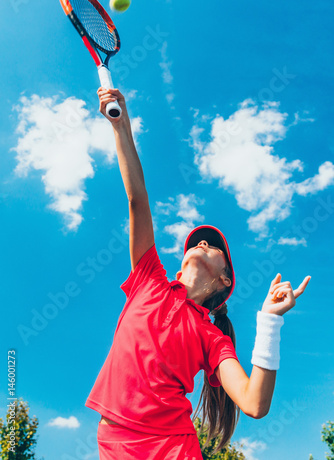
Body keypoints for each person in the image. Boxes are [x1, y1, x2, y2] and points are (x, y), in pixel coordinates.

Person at [85, 88, 311, 460]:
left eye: (213, 245)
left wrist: (269, 320)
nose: (203, 244)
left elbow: (254, 403)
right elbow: (137, 199)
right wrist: (120, 125)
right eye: (199, 242)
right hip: (113, 444)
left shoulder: (211, 338)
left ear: (225, 281)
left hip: (173, 450)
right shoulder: (149, 280)